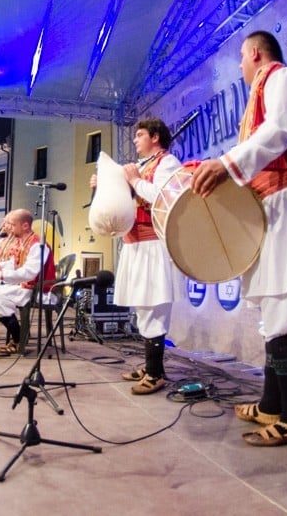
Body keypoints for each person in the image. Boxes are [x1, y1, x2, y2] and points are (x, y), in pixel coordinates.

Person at [191, 30, 287, 446]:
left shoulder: (280, 76)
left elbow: (281, 129)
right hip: (274, 208)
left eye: (242, 58)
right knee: (272, 318)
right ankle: (271, 405)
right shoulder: (261, 89)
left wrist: (226, 163)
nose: (240, 66)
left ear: (255, 53)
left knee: (285, 315)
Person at [92, 118, 184, 395]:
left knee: (153, 308)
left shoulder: (168, 163)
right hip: (135, 243)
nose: (135, 140)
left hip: (154, 244)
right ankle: (151, 366)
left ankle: (155, 374)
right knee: (142, 309)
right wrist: (104, 185)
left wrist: (133, 180)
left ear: (155, 137)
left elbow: (165, 198)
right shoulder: (143, 166)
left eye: (140, 135)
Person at [0, 209, 55, 355]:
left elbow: (29, 272)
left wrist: (0, 274)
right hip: (23, 286)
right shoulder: (22, 242)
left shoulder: (37, 245)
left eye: (12, 225)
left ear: (25, 226)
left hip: (38, 289)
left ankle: (19, 339)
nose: (8, 228)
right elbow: (15, 264)